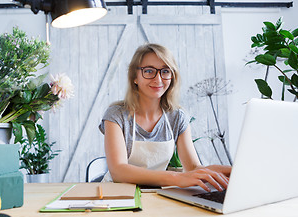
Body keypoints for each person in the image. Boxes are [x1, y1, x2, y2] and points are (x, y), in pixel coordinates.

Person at [99, 43, 231, 192]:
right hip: (116, 195)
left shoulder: (177, 117)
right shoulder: (117, 115)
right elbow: (119, 171)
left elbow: (193, 168)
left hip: (155, 194)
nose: (158, 79)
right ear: (134, 77)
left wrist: (231, 171)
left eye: (165, 71)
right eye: (149, 71)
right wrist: (176, 178)